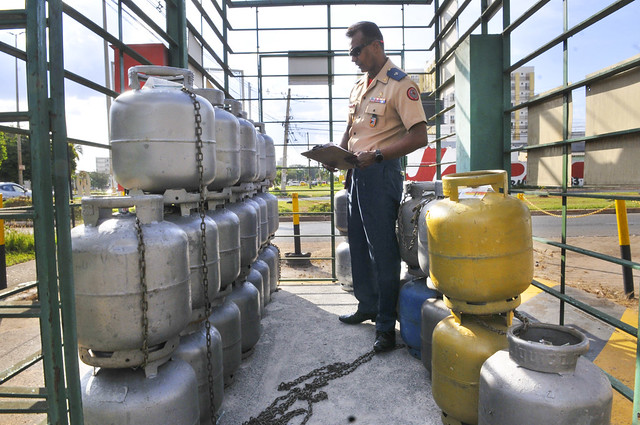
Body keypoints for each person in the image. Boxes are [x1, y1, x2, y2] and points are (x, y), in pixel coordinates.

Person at [338, 21, 428, 352]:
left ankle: (386, 326)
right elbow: (351, 129)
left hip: (380, 171)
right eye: (351, 52)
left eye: (356, 51)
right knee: (359, 244)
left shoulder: (400, 85)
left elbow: (419, 135)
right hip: (355, 172)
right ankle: (367, 305)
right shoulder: (360, 86)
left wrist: (376, 155)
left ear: (377, 45)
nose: (353, 58)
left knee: (383, 251)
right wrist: (338, 154)